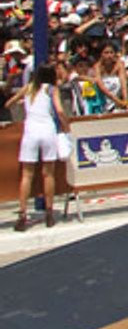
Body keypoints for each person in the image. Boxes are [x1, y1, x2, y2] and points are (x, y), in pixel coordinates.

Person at [16, 64, 71, 230]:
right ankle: (49, 212)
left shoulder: (29, 88)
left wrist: (22, 102)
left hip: (30, 131)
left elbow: (9, 103)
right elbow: (60, 111)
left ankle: (22, 214)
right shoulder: (52, 89)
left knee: (27, 175)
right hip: (47, 130)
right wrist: (67, 127)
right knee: (48, 174)